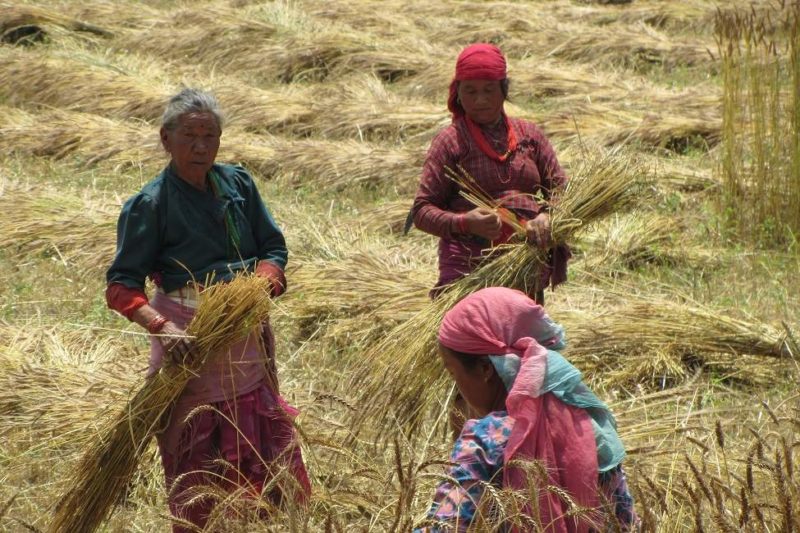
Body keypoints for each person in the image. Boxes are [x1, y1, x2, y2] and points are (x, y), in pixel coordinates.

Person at [105, 88, 310, 531]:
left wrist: (264, 281)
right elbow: (121, 286)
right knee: (197, 445)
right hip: (188, 337)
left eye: (210, 136)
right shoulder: (150, 204)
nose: (200, 146)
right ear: (166, 139)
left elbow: (273, 247)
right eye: (190, 135)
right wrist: (162, 327)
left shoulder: (238, 184)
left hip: (243, 327)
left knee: (255, 429)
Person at [416, 287, 638, 532]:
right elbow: (626, 522)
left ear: (484, 369)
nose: (456, 389)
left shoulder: (484, 442)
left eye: (452, 373)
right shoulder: (590, 427)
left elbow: (442, 528)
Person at [409, 43, 570, 302]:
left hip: (524, 261)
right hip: (470, 267)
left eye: (489, 90)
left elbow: (561, 189)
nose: (480, 100)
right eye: (470, 91)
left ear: (504, 90)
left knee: (519, 338)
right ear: (458, 93)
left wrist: (547, 216)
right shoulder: (450, 141)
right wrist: (465, 222)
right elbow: (421, 211)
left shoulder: (530, 136)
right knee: (473, 338)